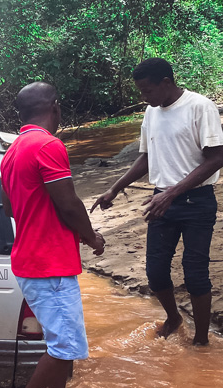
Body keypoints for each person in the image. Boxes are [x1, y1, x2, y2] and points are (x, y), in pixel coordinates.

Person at [90, 58, 223, 346]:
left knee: (195, 272)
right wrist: (115, 188)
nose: (144, 97)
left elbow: (216, 158)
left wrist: (173, 193)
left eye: (147, 90)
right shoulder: (152, 113)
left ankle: (201, 342)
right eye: (140, 91)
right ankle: (173, 317)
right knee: (155, 271)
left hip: (197, 201)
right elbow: (147, 157)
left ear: (166, 82)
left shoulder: (200, 107)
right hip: (162, 200)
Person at [1, 82, 106, 388]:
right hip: (49, 262)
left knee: (59, 341)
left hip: (32, 257)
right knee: (67, 344)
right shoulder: (47, 144)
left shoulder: (13, 151)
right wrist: (92, 238)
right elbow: (69, 203)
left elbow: (8, 207)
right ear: (55, 107)